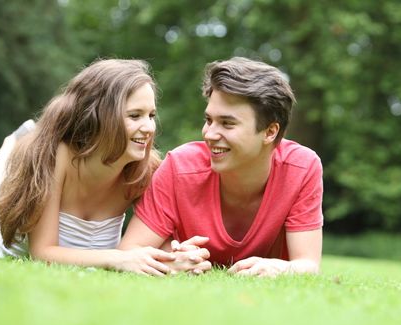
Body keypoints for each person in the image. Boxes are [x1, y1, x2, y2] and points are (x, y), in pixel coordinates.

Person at [0, 59, 210, 276]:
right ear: (100, 115)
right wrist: (117, 259)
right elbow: (42, 253)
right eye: (135, 116)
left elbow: (153, 239)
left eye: (151, 115)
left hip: (29, 182)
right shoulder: (57, 156)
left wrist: (176, 253)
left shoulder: (144, 171)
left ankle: (21, 141)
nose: (149, 128)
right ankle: (15, 142)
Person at [119, 57, 323, 277]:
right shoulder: (179, 167)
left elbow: (307, 264)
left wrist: (281, 268)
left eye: (227, 123)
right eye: (209, 120)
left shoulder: (301, 168)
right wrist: (170, 259)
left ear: (270, 132)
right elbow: (129, 251)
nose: (210, 134)